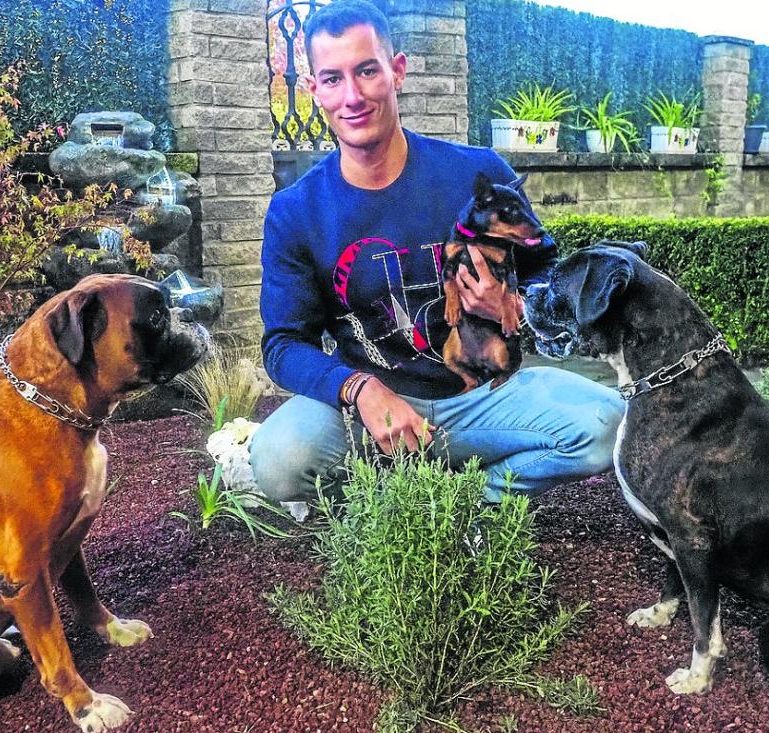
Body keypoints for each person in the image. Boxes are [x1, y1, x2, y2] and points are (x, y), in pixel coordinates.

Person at [250, 0, 623, 503]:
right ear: (314, 89)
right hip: (372, 405)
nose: (353, 95)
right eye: (333, 79)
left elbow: (547, 271)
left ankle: (466, 500)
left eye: (367, 70)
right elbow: (283, 345)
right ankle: (393, 499)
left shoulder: (477, 174)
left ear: (397, 71)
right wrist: (359, 389)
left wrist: (513, 306)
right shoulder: (296, 211)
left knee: (607, 425)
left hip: (484, 395)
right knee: (279, 460)